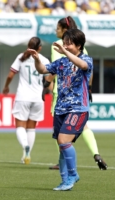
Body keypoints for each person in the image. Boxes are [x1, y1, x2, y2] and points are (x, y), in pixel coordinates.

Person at [27, 28, 93, 190]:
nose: (65, 46)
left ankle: (73, 175)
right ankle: (66, 181)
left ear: (79, 46)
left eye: (69, 44)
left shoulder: (86, 59)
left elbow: (81, 65)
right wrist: (36, 59)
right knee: (62, 145)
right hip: (60, 109)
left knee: (63, 141)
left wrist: (64, 51)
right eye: (64, 43)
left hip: (78, 108)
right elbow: (43, 70)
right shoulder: (62, 62)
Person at [43, 16, 107, 170]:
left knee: (61, 133)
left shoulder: (59, 46)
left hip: (63, 93)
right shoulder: (81, 47)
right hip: (80, 93)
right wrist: (89, 88)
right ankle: (95, 153)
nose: (56, 31)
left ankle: (63, 162)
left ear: (64, 30)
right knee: (83, 126)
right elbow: (88, 70)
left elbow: (56, 68)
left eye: (58, 29)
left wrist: (46, 84)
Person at [3, 37, 50, 164]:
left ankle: (25, 146)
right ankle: (25, 156)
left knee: (20, 126)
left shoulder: (21, 57)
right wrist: (47, 91)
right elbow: (49, 80)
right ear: (39, 48)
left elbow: (10, 75)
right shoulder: (44, 60)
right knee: (31, 128)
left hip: (23, 96)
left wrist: (6, 86)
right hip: (38, 98)